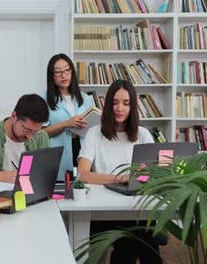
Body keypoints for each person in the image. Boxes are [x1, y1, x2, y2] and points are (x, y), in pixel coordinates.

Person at [77, 80, 162, 264]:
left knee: (140, 243)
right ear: (107, 105)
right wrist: (120, 178)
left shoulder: (143, 134)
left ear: (133, 106)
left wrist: (140, 177)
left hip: (136, 210)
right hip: (103, 212)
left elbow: (152, 173)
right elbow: (83, 174)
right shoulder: (94, 133)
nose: (120, 108)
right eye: (115, 102)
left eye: (126, 103)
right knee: (134, 243)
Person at [42, 53, 94, 181]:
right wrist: (66, 124)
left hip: (83, 148)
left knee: (82, 185)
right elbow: (41, 133)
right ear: (51, 76)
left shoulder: (85, 98)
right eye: (58, 72)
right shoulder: (44, 98)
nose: (63, 75)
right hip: (58, 150)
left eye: (67, 70)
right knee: (61, 187)